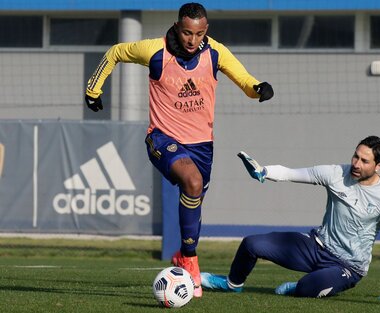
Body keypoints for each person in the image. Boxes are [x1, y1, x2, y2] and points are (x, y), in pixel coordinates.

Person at [84, 2, 274, 298]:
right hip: (161, 138)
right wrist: (94, 89)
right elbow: (116, 52)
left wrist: (258, 88)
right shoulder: (154, 50)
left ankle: (183, 256)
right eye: (186, 33)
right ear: (177, 26)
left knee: (195, 202)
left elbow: (245, 80)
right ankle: (190, 260)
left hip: (202, 146)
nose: (191, 40)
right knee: (193, 182)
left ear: (205, 31)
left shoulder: (215, 52)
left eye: (197, 34)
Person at [201, 136, 380, 301]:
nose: (356, 163)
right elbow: (291, 173)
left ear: (379, 166)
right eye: (355, 156)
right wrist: (263, 171)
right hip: (316, 247)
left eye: (364, 161)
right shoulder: (336, 173)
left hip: (348, 267)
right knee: (251, 244)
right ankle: (232, 284)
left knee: (306, 288)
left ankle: (303, 286)